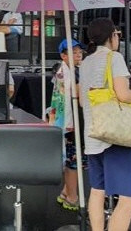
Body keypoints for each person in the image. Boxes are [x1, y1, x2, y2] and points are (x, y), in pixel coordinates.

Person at [80, 18, 131, 231]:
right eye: (117, 34)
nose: (118, 38)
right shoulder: (114, 58)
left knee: (97, 191)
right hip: (114, 136)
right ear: (111, 36)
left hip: (93, 134)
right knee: (129, 200)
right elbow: (124, 95)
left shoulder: (86, 62)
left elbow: (82, 100)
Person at [49, 38, 85, 211]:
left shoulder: (62, 70)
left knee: (72, 159)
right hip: (70, 124)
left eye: (80, 52)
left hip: (62, 121)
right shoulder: (72, 74)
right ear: (63, 56)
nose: (78, 55)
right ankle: (72, 197)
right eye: (73, 52)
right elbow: (79, 94)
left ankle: (65, 192)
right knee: (73, 161)